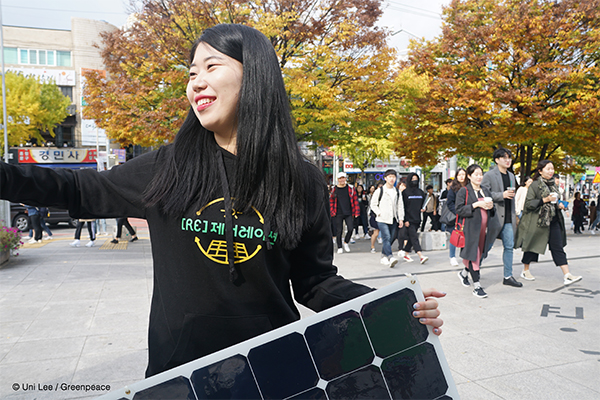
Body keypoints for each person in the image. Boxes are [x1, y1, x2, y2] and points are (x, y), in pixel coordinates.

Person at [0, 24, 444, 378]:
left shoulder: (301, 180)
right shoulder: (169, 166)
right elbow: (77, 190)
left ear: (255, 75)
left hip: (274, 366)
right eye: (192, 72)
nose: (196, 82)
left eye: (211, 66)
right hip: (179, 372)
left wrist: (394, 301)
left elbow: (315, 282)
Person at [515, 160, 582, 285]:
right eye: (548, 169)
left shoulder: (553, 185)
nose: (551, 171)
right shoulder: (535, 185)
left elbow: (555, 201)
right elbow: (529, 204)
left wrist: (560, 204)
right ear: (540, 171)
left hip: (553, 220)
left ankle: (567, 275)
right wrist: (545, 199)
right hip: (539, 221)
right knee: (532, 246)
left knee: (558, 247)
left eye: (552, 169)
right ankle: (525, 270)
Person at [480, 148, 523, 288]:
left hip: (509, 217)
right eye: (504, 158)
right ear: (497, 160)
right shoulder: (489, 175)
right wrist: (501, 195)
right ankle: (470, 269)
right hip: (495, 217)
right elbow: (483, 194)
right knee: (486, 247)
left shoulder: (511, 175)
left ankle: (508, 276)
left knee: (509, 247)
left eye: (509, 157)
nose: (508, 160)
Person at [456, 164, 500, 298]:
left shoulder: (485, 190)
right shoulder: (464, 191)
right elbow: (458, 210)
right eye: (476, 174)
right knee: (474, 256)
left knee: (479, 255)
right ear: (469, 176)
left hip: (484, 230)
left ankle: (464, 273)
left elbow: (491, 211)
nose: (479, 177)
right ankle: (477, 286)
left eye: (481, 174)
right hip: (470, 230)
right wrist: (476, 205)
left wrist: (491, 207)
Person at [370, 169, 404, 267]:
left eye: (393, 177)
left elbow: (400, 206)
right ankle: (390, 256)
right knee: (386, 237)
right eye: (390, 177)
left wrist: (401, 218)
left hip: (393, 218)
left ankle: (383, 256)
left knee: (391, 238)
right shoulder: (380, 191)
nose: (392, 179)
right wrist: (379, 213)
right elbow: (373, 204)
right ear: (385, 178)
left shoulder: (397, 192)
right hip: (382, 219)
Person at [398, 173, 429, 264]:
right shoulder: (405, 193)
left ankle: (406, 253)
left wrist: (424, 208)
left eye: (416, 179)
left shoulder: (420, 192)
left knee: (412, 237)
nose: (414, 181)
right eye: (413, 179)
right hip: (409, 219)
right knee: (414, 237)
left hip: (417, 218)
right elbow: (402, 207)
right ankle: (420, 255)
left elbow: (422, 205)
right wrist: (405, 219)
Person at [329, 172, 359, 253]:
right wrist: (332, 211)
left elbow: (355, 200)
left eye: (343, 178)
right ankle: (339, 247)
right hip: (338, 212)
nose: (342, 180)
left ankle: (346, 242)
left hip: (349, 212)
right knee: (339, 230)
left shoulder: (350, 188)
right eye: (340, 178)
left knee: (350, 228)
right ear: (338, 179)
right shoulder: (334, 189)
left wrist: (356, 211)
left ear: (346, 179)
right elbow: (331, 201)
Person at [446, 168, 467, 266]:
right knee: (455, 236)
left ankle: (464, 256)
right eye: (459, 175)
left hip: (467, 215)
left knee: (466, 237)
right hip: (457, 217)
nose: (462, 177)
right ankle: (452, 257)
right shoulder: (453, 189)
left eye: (463, 174)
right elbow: (449, 203)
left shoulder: (469, 187)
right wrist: (457, 212)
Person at [367, 184, 381, 253]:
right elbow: (371, 205)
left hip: (385, 216)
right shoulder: (374, 196)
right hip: (375, 215)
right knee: (376, 232)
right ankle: (372, 246)